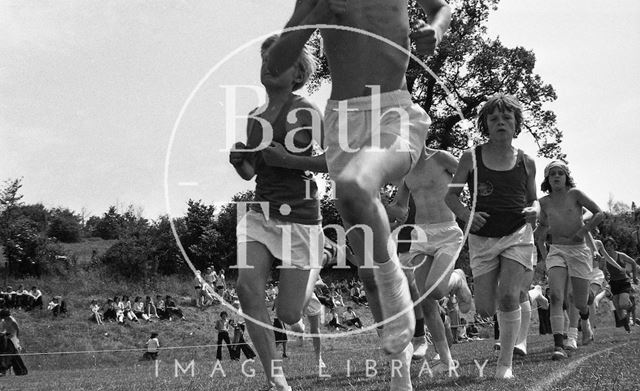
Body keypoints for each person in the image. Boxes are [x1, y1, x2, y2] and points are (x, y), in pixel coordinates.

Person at [266, 7, 453, 388]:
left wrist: (434, 29)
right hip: (343, 122)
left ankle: (396, 283)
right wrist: (313, 14)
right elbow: (276, 63)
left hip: (395, 111)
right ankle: (401, 378)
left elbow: (441, 7)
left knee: (354, 186)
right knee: (368, 269)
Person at [230, 35, 327, 391]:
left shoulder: (308, 111)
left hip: (301, 217)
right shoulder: (255, 117)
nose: (269, 65)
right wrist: (240, 160)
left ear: (298, 72)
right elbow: (252, 172)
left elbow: (338, 160)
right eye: (265, 59)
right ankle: (276, 378)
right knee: (246, 289)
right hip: (260, 213)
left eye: (280, 59)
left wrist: (289, 159)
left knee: (289, 314)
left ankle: (319, 261)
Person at [445, 94, 539, 379]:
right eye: (494, 118)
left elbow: (534, 200)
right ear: (485, 124)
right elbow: (451, 197)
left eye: (507, 118)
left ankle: (505, 365)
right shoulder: (470, 158)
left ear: (516, 124)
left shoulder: (527, 162)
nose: (500, 123)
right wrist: (467, 216)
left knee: (509, 296)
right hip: (483, 238)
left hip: (516, 234)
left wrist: (535, 211)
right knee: (486, 308)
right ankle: (530, 294)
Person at [386, 146, 471, 372]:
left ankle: (458, 279)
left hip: (447, 232)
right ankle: (446, 360)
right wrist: (374, 204)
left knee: (436, 291)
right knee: (426, 299)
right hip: (421, 235)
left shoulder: (441, 158)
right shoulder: (406, 170)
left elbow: (470, 174)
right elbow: (400, 209)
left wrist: (464, 208)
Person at [535, 160, 603, 359]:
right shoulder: (543, 202)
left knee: (579, 301)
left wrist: (582, 231)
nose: (556, 176)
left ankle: (584, 319)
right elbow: (543, 225)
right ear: (547, 178)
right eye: (552, 174)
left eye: (560, 173)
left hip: (579, 251)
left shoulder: (576, 195)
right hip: (556, 250)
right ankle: (559, 346)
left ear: (566, 177)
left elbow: (599, 213)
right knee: (556, 296)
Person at [597, 237, 638, 332]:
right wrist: (602, 269)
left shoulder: (620, 255)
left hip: (624, 282)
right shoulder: (604, 258)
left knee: (622, 305)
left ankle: (631, 306)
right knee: (618, 310)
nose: (608, 248)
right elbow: (601, 270)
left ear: (614, 246)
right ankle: (627, 327)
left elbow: (633, 263)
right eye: (606, 246)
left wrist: (635, 277)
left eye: (610, 245)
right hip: (613, 283)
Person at [0, 309, 27, 376]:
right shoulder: (3, 321)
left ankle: (19, 369)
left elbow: (17, 329)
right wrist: (3, 333)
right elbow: (3, 330)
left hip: (13, 336)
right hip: (7, 335)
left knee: (14, 350)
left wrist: (16, 338)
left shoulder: (12, 321)